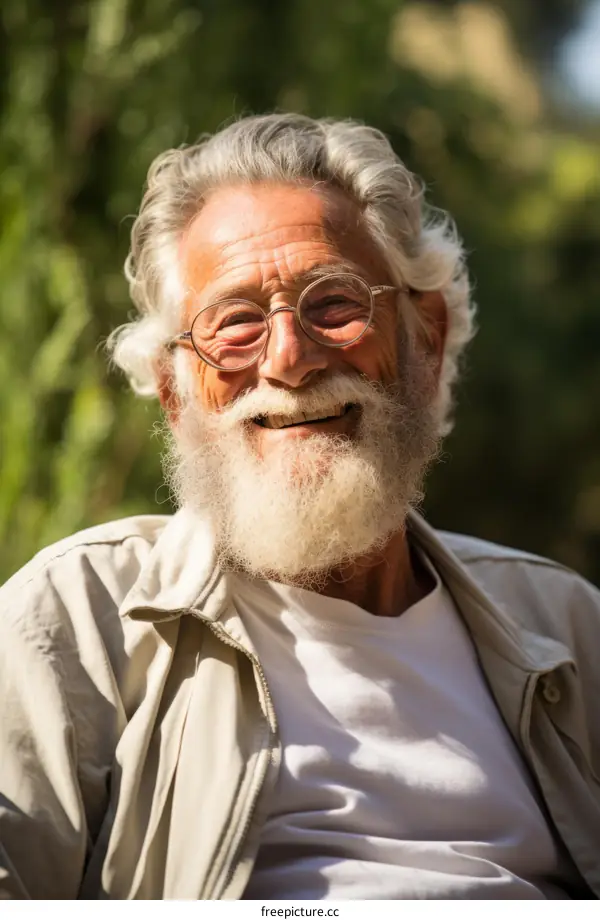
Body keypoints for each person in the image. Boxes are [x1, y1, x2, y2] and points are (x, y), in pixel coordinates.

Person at [0, 113, 598, 901]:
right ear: (177, 390)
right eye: (236, 322)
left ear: (425, 336)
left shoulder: (566, 629)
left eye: (334, 304)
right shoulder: (75, 623)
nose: (288, 358)